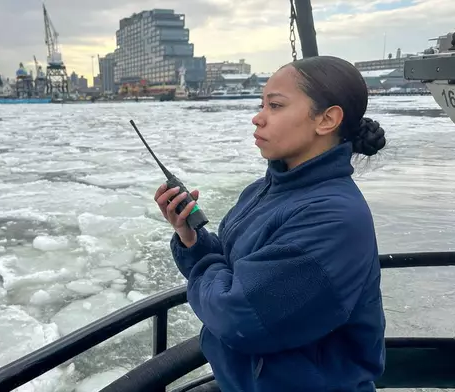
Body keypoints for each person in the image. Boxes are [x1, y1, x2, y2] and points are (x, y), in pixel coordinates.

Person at [154, 55, 387, 392]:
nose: (257, 118)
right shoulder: (264, 190)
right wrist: (190, 236)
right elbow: (233, 266)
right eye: (261, 104)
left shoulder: (334, 218)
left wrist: (205, 266)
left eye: (275, 106)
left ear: (327, 120)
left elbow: (240, 316)